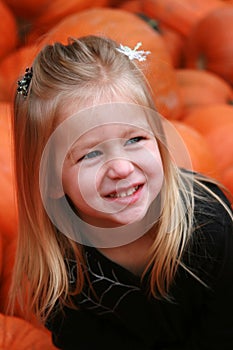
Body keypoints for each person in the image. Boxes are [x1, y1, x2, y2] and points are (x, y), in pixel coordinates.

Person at [10, 35, 233, 350]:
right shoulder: (63, 269)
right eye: (90, 154)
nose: (121, 167)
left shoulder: (209, 225)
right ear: (49, 179)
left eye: (135, 140)